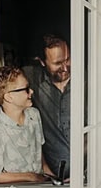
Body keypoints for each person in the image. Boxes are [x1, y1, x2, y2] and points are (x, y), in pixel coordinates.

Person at [0, 66, 55, 185]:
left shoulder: (34, 115)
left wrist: (55, 179)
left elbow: (39, 155)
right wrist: (31, 177)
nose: (32, 91)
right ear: (9, 97)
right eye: (26, 89)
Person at [21, 35, 72, 179]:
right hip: (51, 179)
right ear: (42, 62)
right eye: (57, 63)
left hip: (90, 178)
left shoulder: (90, 80)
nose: (64, 68)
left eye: (67, 60)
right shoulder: (29, 77)